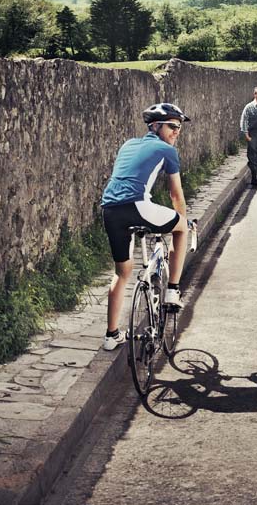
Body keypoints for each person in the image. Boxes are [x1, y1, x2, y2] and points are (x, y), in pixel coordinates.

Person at [100, 103, 190, 351]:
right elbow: (176, 196)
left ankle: (111, 336)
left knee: (121, 273)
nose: (176, 132)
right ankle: (173, 289)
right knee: (183, 228)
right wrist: (182, 221)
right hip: (137, 206)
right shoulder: (167, 151)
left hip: (110, 210)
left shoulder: (128, 144)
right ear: (155, 126)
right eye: (172, 126)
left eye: (179, 128)